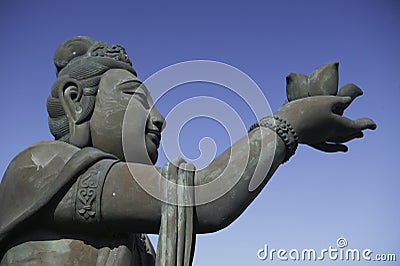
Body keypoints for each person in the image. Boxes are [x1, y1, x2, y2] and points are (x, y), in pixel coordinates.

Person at [0, 36, 376, 265]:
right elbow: (201, 200)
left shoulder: (137, 239)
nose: (159, 118)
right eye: (136, 99)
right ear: (76, 102)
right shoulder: (39, 167)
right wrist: (288, 124)